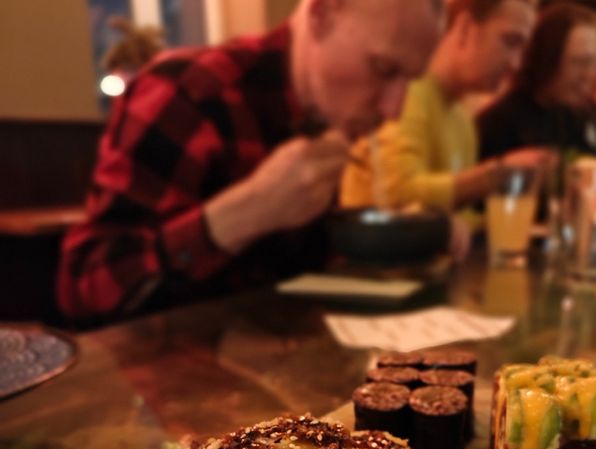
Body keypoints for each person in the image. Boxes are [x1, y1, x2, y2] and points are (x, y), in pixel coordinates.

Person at [58, 0, 444, 322]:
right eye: (384, 69)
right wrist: (245, 213)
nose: (395, 110)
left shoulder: (327, 117)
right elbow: (82, 287)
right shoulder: (187, 91)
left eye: (411, 80)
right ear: (322, 14)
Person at [340, 0, 545, 259]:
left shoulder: (462, 119)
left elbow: (457, 221)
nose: (516, 64)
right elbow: (398, 196)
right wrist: (496, 176)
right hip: (375, 271)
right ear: (465, 28)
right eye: (510, 42)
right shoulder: (407, 93)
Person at [477, 2, 596, 161]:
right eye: (579, 63)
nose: (589, 74)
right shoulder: (498, 124)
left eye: (592, 63)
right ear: (546, 61)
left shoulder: (577, 118)